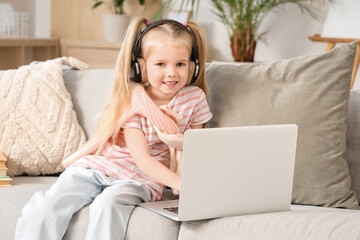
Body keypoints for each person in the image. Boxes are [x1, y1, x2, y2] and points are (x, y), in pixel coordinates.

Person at [15, 17, 212, 240]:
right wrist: (179, 183)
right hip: (101, 166)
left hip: (138, 180)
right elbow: (142, 158)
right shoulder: (132, 99)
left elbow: (198, 148)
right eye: (160, 64)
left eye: (180, 64)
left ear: (192, 67)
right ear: (141, 67)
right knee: (48, 206)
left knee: (108, 205)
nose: (171, 73)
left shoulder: (195, 99)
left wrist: (195, 183)